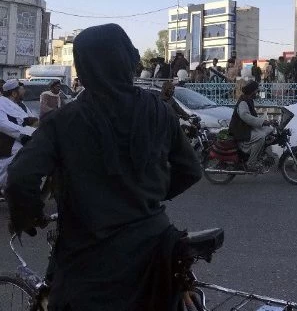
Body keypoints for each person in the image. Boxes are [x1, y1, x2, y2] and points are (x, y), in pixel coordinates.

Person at [6, 23, 202, 310]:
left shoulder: (64, 120)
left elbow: (21, 178)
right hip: (155, 251)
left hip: (90, 261)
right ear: (128, 60)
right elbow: (191, 171)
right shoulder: (159, 109)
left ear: (84, 69)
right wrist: (147, 197)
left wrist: (31, 217)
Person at [0, 80, 36, 196]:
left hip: (20, 137)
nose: (24, 91)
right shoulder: (1, 103)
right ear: (14, 93)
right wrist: (24, 133)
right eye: (21, 89)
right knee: (22, 155)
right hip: (7, 140)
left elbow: (31, 119)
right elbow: (3, 124)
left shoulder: (21, 105)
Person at [229, 80, 275, 171]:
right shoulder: (243, 102)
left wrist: (265, 122)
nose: (257, 93)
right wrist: (262, 122)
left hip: (245, 128)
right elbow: (246, 117)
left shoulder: (248, 100)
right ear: (252, 91)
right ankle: (251, 163)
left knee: (268, 131)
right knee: (261, 137)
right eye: (256, 91)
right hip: (240, 131)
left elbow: (253, 116)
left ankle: (263, 155)